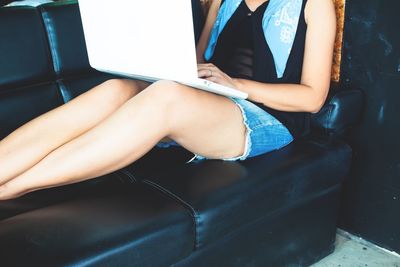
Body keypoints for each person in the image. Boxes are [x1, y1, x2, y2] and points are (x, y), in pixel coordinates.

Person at [0, 0, 336, 200]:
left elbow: (313, 99)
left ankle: (14, 188)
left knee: (167, 96)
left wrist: (238, 84)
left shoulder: (315, 4)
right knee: (116, 88)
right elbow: (194, 61)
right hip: (210, 99)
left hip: (268, 117)